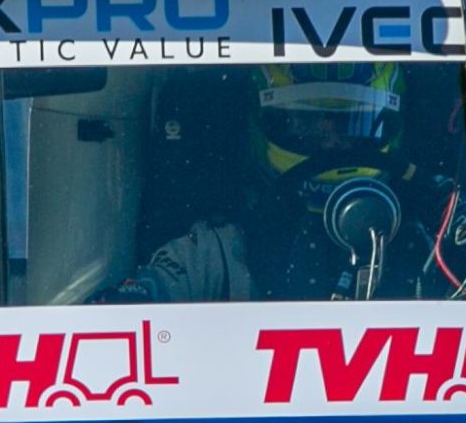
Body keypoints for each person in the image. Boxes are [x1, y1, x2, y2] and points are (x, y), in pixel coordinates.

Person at [109, 62, 412, 302]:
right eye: (309, 125)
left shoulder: (425, 243)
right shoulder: (216, 255)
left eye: (348, 127)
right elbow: (132, 304)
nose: (330, 146)